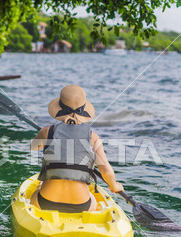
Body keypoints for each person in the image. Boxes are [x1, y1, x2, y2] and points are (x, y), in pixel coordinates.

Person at [30, 85, 123, 213]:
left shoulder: (47, 132)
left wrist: (44, 136)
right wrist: (115, 186)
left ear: (59, 108)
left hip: (46, 201)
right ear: (84, 110)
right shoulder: (92, 137)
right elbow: (106, 171)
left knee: (37, 189)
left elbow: (33, 147)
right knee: (94, 200)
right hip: (81, 205)